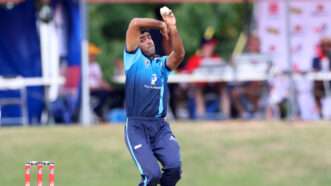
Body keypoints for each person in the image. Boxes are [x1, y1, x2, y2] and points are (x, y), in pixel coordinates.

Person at [123, 7, 185, 186]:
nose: (148, 40)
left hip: (159, 127)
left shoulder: (161, 65)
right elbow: (135, 23)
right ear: (136, 45)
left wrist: (172, 28)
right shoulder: (133, 60)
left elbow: (179, 54)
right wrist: (160, 25)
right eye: (142, 39)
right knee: (152, 175)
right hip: (137, 127)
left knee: (174, 168)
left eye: (149, 37)